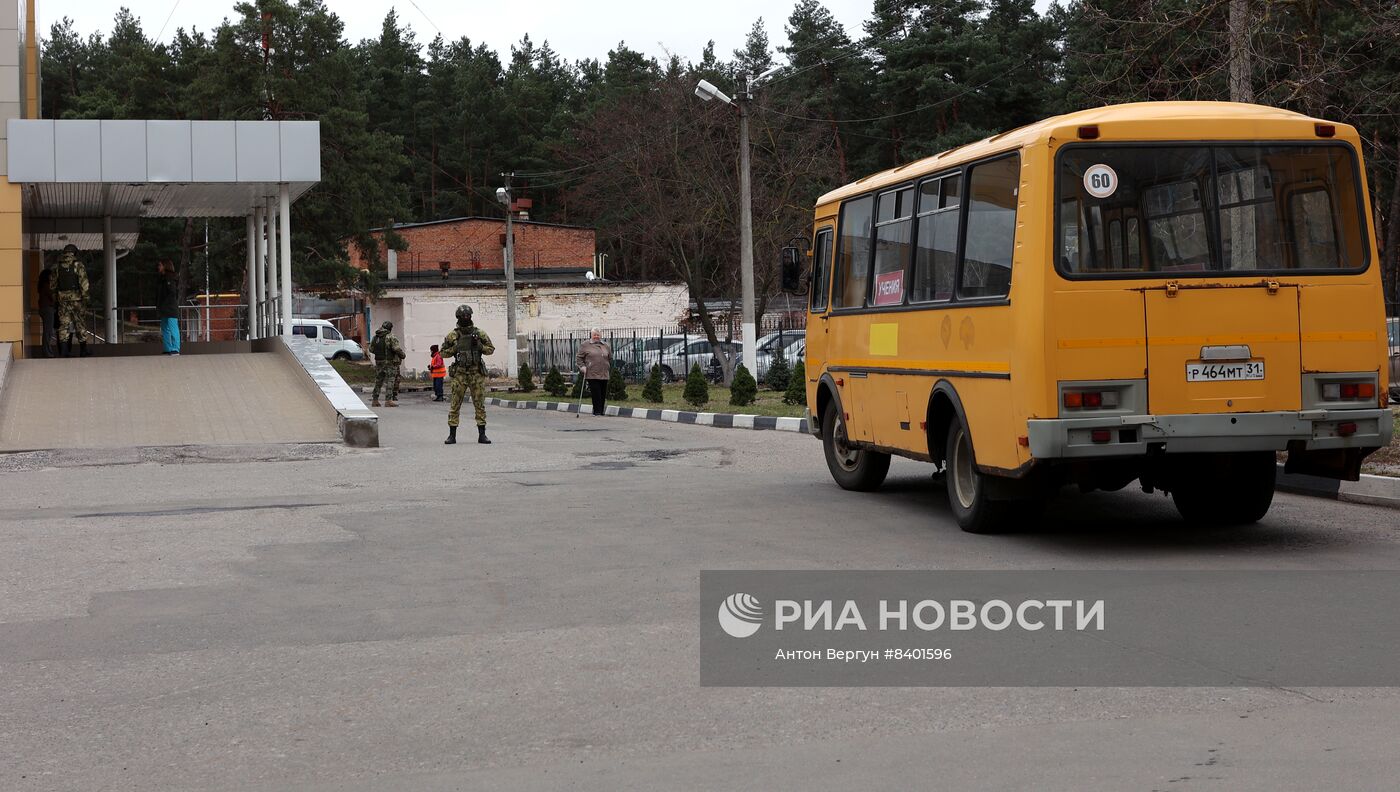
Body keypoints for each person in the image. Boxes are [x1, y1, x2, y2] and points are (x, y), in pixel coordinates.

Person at [441, 304, 495, 445]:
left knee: (479, 404)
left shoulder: (479, 333)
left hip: (476, 373)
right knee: (455, 404)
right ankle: (452, 435)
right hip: (460, 374)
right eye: (463, 316)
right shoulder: (452, 335)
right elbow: (442, 353)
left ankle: (482, 435)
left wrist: (480, 346)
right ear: (458, 317)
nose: (466, 318)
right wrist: (455, 348)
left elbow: (490, 349)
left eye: (468, 315)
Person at [54, 244, 91, 357]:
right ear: (75, 253)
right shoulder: (78, 265)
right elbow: (84, 284)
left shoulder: (57, 267)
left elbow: (52, 285)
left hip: (62, 301)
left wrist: (57, 297)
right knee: (80, 324)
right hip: (77, 300)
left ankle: (64, 351)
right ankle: (83, 350)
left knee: (63, 325)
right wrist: (86, 298)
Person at [576, 328, 612, 416]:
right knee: (596, 392)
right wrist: (582, 366)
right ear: (591, 335)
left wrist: (607, 365)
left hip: (604, 372)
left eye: (598, 335)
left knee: (603, 392)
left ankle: (601, 410)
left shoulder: (606, 345)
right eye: (594, 335)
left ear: (601, 335)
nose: (596, 336)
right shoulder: (585, 345)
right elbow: (579, 358)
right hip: (592, 372)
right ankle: (597, 411)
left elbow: (610, 357)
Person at [369, 320, 405, 407]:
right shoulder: (391, 337)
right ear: (390, 328)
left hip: (379, 361)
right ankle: (388, 400)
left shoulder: (375, 337)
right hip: (389, 361)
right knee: (390, 380)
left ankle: (375, 400)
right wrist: (402, 355)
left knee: (378, 381)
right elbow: (396, 348)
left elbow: (371, 349)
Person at [156, 260, 181, 355]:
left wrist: (164, 303)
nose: (158, 267)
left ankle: (175, 348)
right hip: (164, 307)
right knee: (165, 328)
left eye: (160, 265)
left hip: (170, 308)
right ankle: (168, 348)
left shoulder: (170, 278)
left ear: (165, 266)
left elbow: (172, 293)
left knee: (172, 327)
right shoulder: (162, 278)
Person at [36, 265, 57, 358]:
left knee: (47, 331)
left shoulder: (41, 285)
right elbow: (52, 297)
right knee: (48, 332)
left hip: (43, 309)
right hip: (48, 309)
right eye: (50, 276)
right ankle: (47, 352)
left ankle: (47, 351)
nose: (51, 277)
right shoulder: (46, 285)